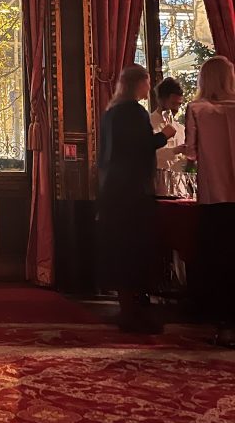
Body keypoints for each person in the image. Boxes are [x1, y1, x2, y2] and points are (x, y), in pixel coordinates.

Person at [97, 64, 175, 333]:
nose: (149, 88)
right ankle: (136, 314)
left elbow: (105, 156)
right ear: (137, 84)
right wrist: (164, 137)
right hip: (132, 192)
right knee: (136, 250)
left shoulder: (110, 113)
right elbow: (140, 148)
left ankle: (126, 309)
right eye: (147, 82)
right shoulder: (134, 112)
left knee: (120, 250)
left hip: (112, 191)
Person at [184, 55, 235, 348]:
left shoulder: (197, 109)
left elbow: (190, 153)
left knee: (218, 261)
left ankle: (224, 325)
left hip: (214, 195)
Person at [150, 77, 187, 198]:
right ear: (161, 100)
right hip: (158, 190)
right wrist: (175, 151)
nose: (176, 109)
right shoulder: (148, 124)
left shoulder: (181, 129)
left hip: (180, 189)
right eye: (173, 104)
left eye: (179, 104)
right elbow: (147, 156)